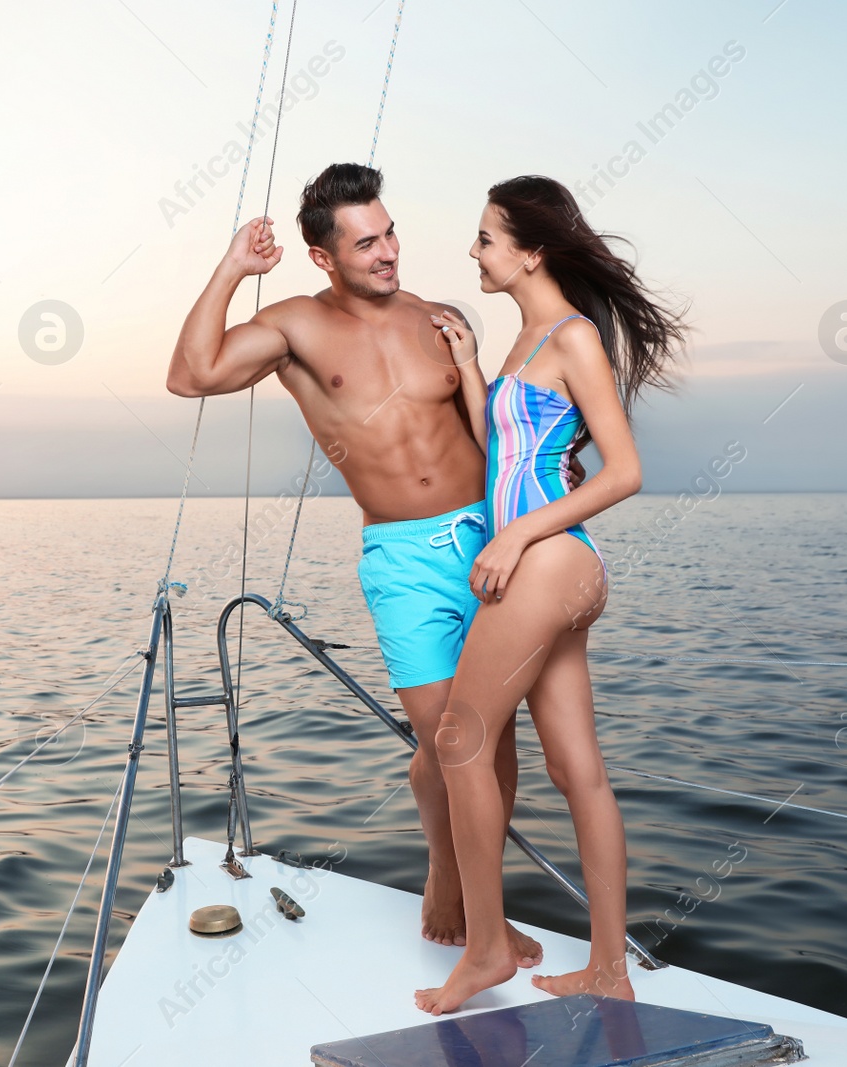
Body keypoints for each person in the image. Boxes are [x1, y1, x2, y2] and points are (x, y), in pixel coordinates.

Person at [167, 163, 578, 959]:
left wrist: (526, 518)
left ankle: (481, 908)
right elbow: (190, 375)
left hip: (485, 540)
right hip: (401, 558)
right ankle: (452, 881)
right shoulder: (295, 328)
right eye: (366, 243)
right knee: (452, 741)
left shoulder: (443, 318)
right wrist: (231, 269)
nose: (389, 252)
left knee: (494, 744)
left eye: (389, 232)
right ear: (325, 257)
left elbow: (497, 441)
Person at [414, 176, 685, 1014]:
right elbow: (499, 451)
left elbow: (626, 470)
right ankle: (609, 968)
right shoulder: (525, 337)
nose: (474, 252)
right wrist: (467, 366)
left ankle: (488, 949)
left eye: (487, 238)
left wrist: (518, 536)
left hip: (553, 562)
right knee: (578, 770)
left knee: (460, 738)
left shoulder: (569, 338)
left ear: (531, 251)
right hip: (547, 569)